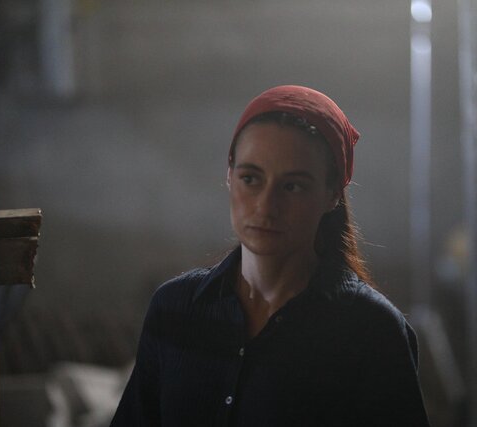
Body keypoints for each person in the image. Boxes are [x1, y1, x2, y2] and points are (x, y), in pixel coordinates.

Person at [110, 85, 431, 426]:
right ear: (229, 176)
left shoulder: (372, 331)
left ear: (332, 194)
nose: (266, 206)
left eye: (292, 186)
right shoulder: (175, 308)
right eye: (251, 178)